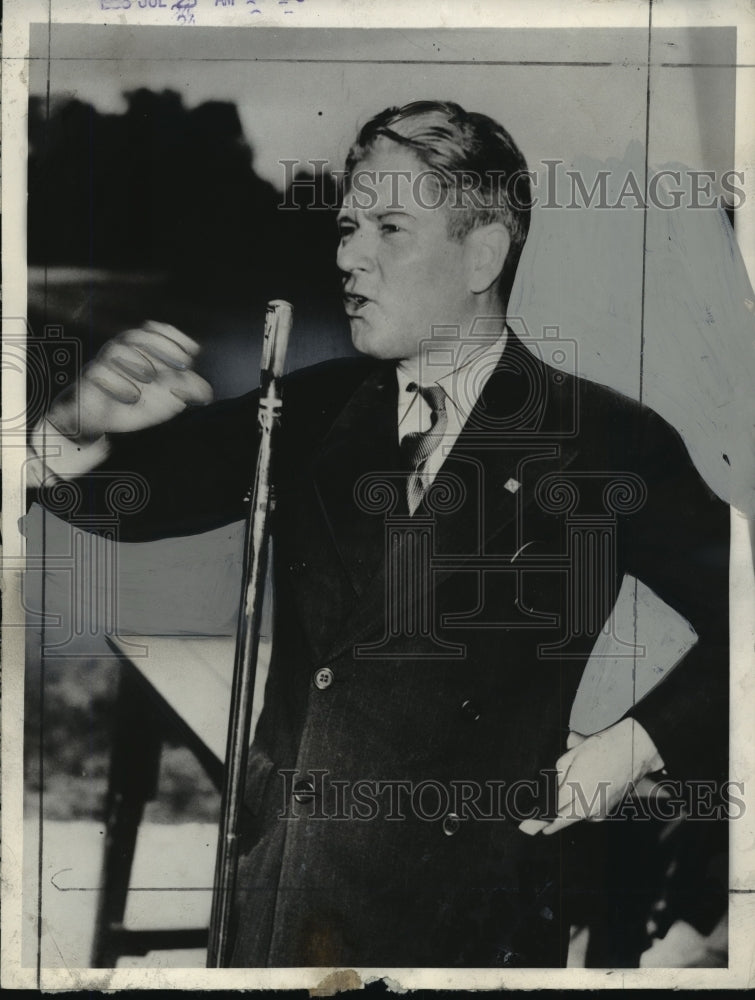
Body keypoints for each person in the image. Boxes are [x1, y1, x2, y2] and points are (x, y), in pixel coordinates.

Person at [30, 101, 729, 967]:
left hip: (468, 927)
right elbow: (132, 504)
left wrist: (631, 747)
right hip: (277, 903)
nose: (348, 255)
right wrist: (73, 427)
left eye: (389, 227)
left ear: (484, 252)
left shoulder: (605, 441)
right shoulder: (314, 409)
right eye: (348, 225)